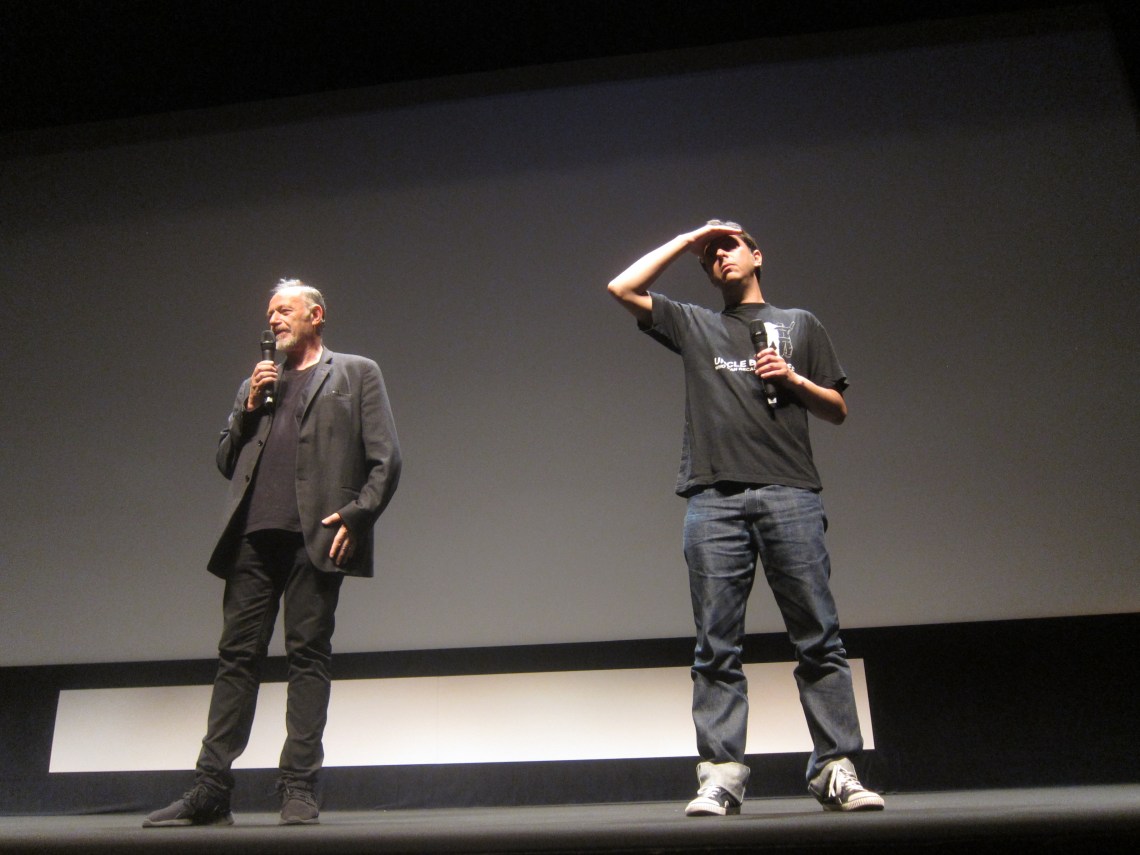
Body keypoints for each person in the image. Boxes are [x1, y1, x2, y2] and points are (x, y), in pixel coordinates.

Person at [606, 220, 883, 816]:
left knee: (818, 637)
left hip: (790, 494)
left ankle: (836, 767)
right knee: (716, 646)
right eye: (709, 257)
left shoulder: (800, 324)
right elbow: (621, 289)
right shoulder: (695, 324)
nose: (718, 258)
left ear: (757, 255)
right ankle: (722, 774)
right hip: (714, 501)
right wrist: (688, 239)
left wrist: (793, 378)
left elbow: (836, 409)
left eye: (727, 247)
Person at [144, 279, 401, 827]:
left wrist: (358, 514)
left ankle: (299, 787)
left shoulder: (355, 373)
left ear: (317, 316)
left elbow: (387, 460)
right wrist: (249, 408)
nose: (274, 321)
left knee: (308, 655)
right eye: (269, 313)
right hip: (254, 537)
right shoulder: (255, 384)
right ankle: (211, 790)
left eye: (284, 311)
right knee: (235, 658)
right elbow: (224, 459)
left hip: (316, 535)